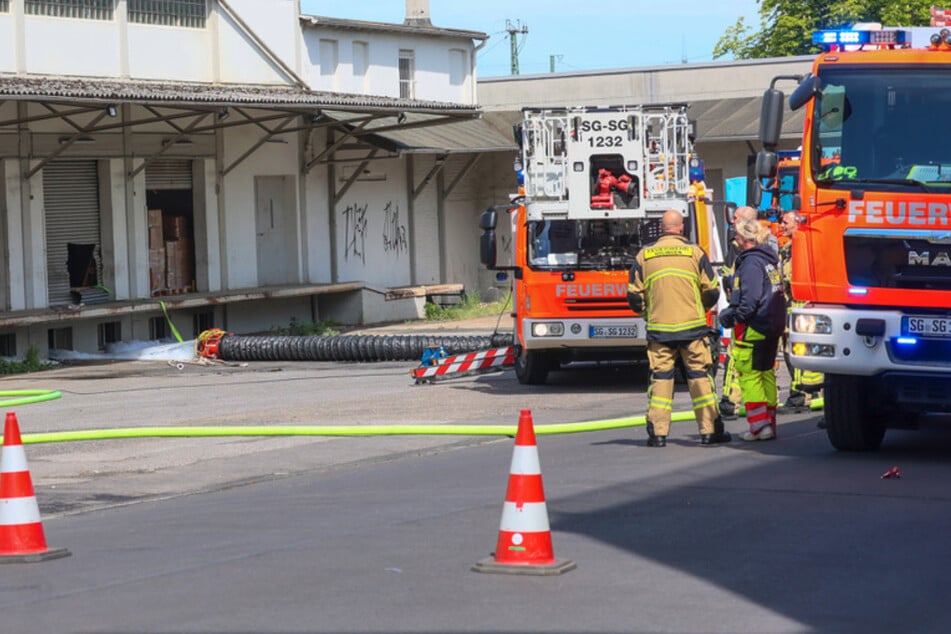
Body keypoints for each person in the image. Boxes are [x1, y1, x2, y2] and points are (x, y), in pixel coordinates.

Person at [627, 209, 730, 447]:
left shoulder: (644, 255)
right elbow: (712, 291)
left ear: (662, 228)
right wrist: (698, 309)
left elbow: (633, 297)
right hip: (693, 330)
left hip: (660, 331)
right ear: (681, 227)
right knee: (700, 378)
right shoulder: (694, 252)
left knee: (661, 379)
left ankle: (658, 434)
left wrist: (649, 314)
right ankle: (709, 431)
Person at [718, 218, 786, 441]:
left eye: (737, 235)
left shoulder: (750, 263)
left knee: (749, 375)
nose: (735, 240)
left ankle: (759, 425)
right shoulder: (769, 258)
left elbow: (750, 299)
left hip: (754, 325)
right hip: (772, 323)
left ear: (744, 238)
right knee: (766, 373)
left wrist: (734, 317)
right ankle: (769, 423)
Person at [778, 211, 826, 423]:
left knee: (797, 354)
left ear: (797, 224)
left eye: (785, 222)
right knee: (793, 354)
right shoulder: (788, 248)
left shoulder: (802, 247)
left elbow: (792, 279)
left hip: (801, 310)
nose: (781, 225)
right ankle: (809, 393)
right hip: (790, 309)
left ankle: (800, 395)